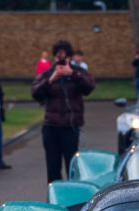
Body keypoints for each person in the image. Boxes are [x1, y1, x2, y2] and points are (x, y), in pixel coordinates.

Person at [31, 40, 96, 182]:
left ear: (69, 58)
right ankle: (54, 198)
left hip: (70, 127)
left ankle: (73, 199)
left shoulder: (78, 72)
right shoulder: (48, 74)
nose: (61, 62)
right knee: (53, 168)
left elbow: (89, 87)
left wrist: (72, 74)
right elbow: (35, 93)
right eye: (58, 57)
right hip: (51, 127)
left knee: (72, 167)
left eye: (65, 58)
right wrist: (51, 79)